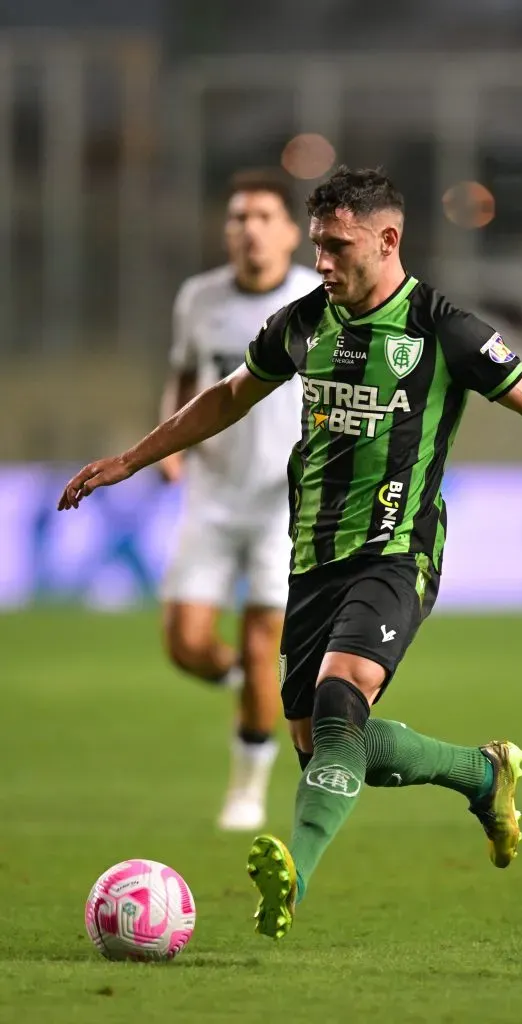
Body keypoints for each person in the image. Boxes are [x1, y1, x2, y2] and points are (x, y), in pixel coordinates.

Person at [58, 166, 522, 941]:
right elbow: (230, 394)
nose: (323, 262)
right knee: (327, 750)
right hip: (309, 556)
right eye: (318, 246)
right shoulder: (304, 322)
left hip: (397, 552)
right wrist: (131, 459)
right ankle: (484, 773)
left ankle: (293, 875)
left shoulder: (445, 329)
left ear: (387, 239)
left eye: (337, 247)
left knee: (341, 701)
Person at [158, 169, 320, 830]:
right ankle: (246, 688)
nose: (248, 229)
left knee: (263, 650)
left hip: (285, 505)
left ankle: (247, 789)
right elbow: (183, 376)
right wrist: (169, 446)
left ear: (288, 232)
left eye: (262, 217)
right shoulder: (199, 298)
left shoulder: (319, 298)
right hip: (213, 496)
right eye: (237, 218)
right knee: (186, 645)